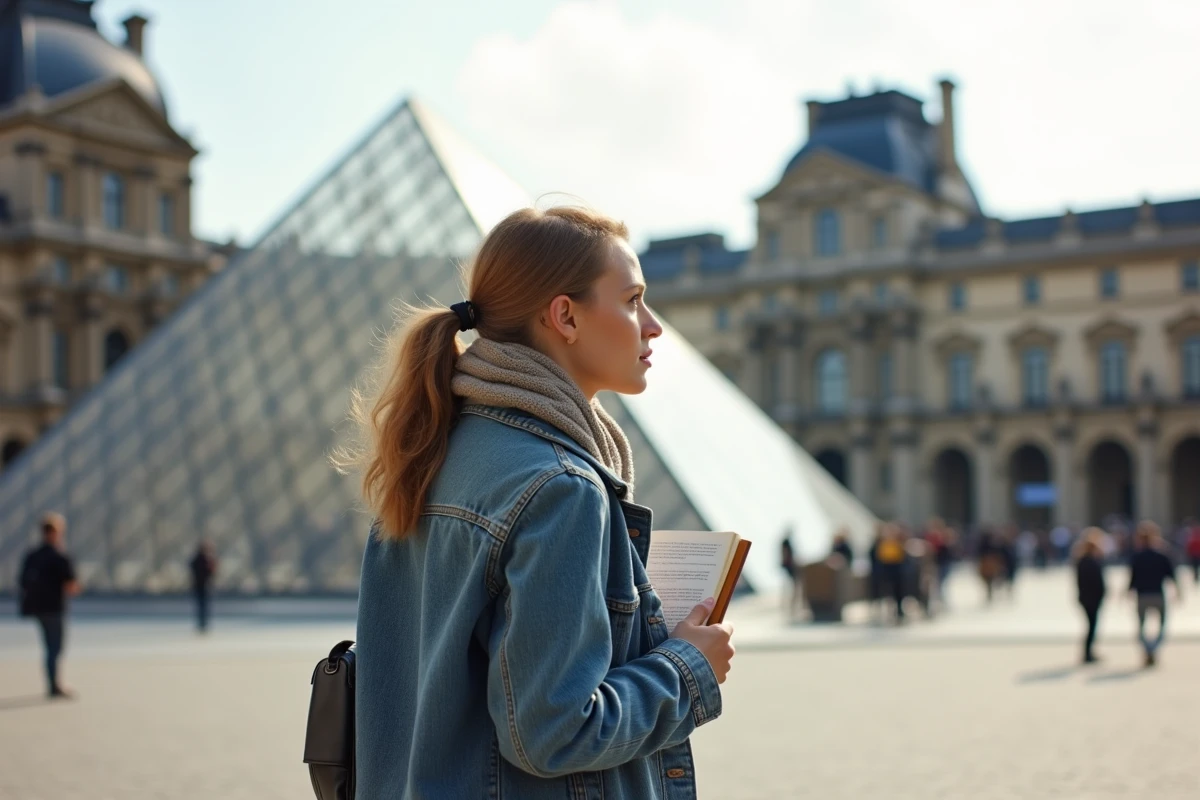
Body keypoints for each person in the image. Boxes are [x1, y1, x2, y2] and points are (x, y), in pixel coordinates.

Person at [341, 206, 735, 798]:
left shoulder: (429, 457)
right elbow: (554, 732)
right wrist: (686, 668)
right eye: (633, 300)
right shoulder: (561, 489)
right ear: (565, 316)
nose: (653, 326)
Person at [17, 512, 81, 699]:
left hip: (37, 608)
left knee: (48, 646)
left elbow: (22, 581)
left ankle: (52, 683)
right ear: (56, 532)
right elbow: (71, 585)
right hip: (54, 607)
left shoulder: (32, 555)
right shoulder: (60, 555)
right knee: (55, 647)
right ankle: (54, 685)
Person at [1128, 521, 1180, 667]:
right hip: (1158, 593)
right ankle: (1153, 647)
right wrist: (1178, 591)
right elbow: (1171, 575)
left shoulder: (1137, 556)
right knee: (1162, 625)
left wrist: (1128, 592)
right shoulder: (1162, 554)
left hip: (1142, 594)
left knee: (1141, 626)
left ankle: (1147, 648)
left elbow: (1132, 577)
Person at [1074, 528, 1107, 664]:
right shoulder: (1091, 561)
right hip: (1092, 598)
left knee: (1091, 626)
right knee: (1092, 626)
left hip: (1086, 598)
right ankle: (1088, 653)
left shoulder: (1081, 561)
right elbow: (1097, 582)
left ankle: (1088, 652)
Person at [189, 541, 217, 633]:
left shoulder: (198, 559)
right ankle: (203, 623)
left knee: (202, 605)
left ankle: (203, 623)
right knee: (203, 605)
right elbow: (210, 572)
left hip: (200, 585)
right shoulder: (204, 559)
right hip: (203, 585)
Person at [1184, 519, 1200, 584]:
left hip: (1196, 554)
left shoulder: (1193, 536)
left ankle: (1196, 576)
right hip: (1194, 554)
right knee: (1195, 566)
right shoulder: (1191, 535)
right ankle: (1196, 576)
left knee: (1195, 566)